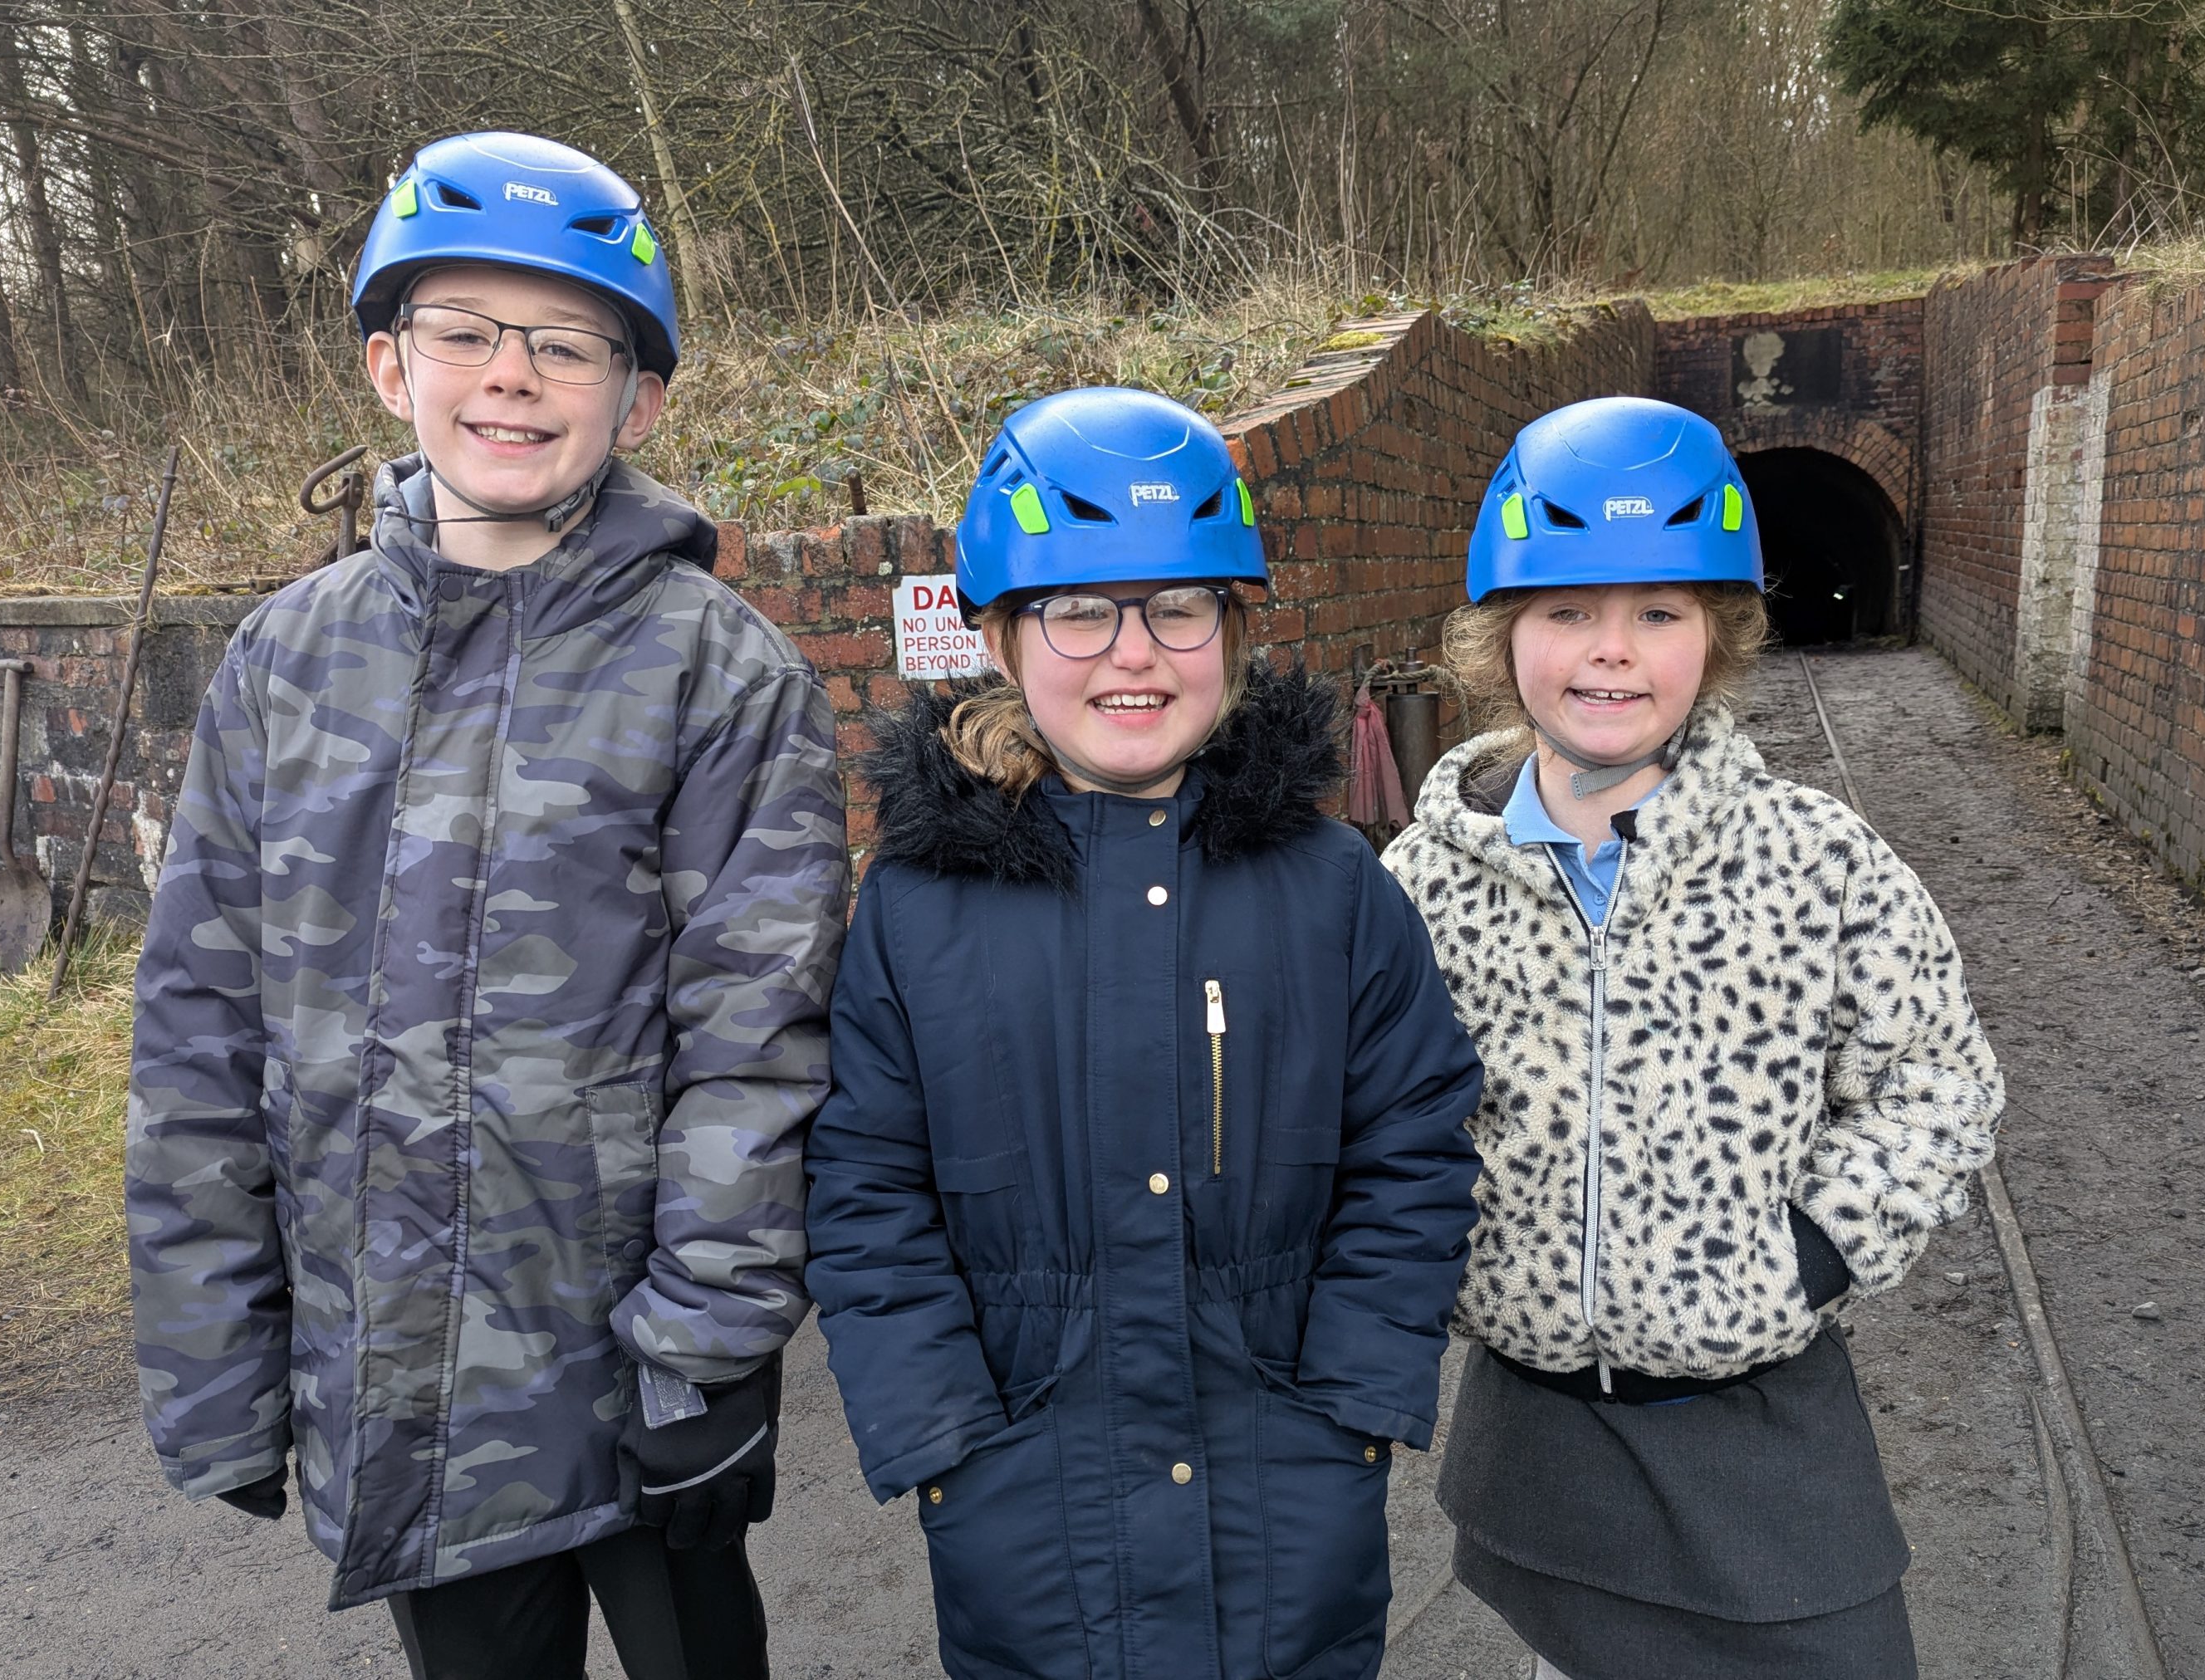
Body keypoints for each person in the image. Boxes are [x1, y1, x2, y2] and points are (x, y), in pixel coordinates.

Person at [125, 131, 849, 1680]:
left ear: (635, 397)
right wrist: (217, 1355)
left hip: (633, 1380)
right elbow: (197, 1025)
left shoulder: (720, 674)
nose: (510, 376)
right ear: (391, 366)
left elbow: (756, 1039)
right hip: (400, 1391)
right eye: (463, 332)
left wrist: (711, 1354)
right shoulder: (283, 665)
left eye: (567, 344)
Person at [803, 387, 1486, 1680]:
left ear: (1231, 630)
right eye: (1078, 609)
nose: (1134, 654)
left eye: (1179, 606)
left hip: (1287, 1486)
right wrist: (944, 1439)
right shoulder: (916, 907)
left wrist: (1349, 1401)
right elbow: (863, 1189)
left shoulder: (1335, 887)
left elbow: (1416, 1142)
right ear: (1001, 638)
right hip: (1024, 1496)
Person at [1381, 397, 2006, 1680]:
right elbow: (1368, 1110)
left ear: (1717, 638)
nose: (1609, 655)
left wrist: (1815, 1251)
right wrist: (1455, 1256)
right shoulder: (1419, 885)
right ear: (1501, 639)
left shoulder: (1817, 861)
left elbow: (1937, 1081)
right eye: (1565, 612)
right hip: (1539, 1431)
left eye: (1656, 614)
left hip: (1760, 1426)